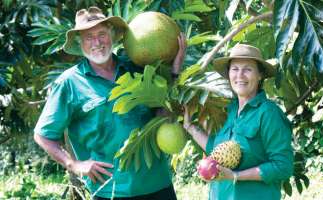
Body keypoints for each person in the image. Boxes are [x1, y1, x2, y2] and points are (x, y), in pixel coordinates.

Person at [34, 7, 186, 200]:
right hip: (110, 190)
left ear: (112, 36)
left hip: (157, 184)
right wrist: (74, 164)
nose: (97, 43)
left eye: (102, 34)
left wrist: (175, 72)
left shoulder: (138, 69)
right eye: (89, 37)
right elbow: (43, 135)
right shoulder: (69, 83)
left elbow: (161, 114)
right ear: (80, 43)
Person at [183, 44, 293, 200]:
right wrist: (189, 127)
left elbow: (283, 166)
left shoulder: (268, 113)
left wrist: (236, 175)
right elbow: (216, 149)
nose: (239, 75)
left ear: (260, 74)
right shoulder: (231, 110)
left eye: (247, 69)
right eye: (234, 69)